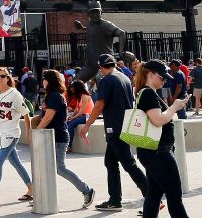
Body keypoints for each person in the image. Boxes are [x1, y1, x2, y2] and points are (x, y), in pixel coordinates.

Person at [82, 54, 148, 212]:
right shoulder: (124, 77)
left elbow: (99, 105)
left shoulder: (107, 80)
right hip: (124, 125)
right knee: (110, 162)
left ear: (101, 67)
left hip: (115, 127)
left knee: (128, 163)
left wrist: (86, 126)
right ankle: (115, 199)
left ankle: (151, 195)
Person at [133, 60, 191, 218]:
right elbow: (157, 120)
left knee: (154, 195)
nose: (164, 81)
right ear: (150, 74)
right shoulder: (149, 94)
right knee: (174, 195)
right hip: (158, 151)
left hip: (151, 150)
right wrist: (174, 107)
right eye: (162, 77)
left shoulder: (143, 92)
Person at [35, 69, 95, 207]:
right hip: (51, 136)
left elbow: (49, 116)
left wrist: (37, 131)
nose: (42, 81)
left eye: (44, 78)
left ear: (49, 81)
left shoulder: (55, 96)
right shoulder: (53, 95)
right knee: (47, 167)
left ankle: (87, 190)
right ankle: (43, 195)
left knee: (60, 168)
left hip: (58, 137)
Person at [0, 67, 33, 205]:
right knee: (16, 163)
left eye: (2, 76)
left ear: (8, 78)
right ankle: (32, 187)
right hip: (1, 133)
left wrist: (29, 133)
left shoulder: (14, 94)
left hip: (11, 133)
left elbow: (26, 113)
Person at [65, 79, 93, 152]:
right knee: (67, 123)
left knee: (71, 125)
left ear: (77, 88)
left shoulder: (85, 96)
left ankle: (69, 146)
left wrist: (73, 118)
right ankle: (66, 144)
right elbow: (76, 109)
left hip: (87, 116)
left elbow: (82, 111)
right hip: (82, 115)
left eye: (73, 87)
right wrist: (71, 117)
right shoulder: (79, 96)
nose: (71, 89)